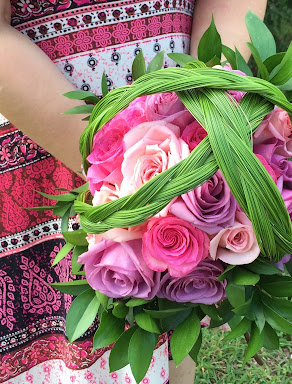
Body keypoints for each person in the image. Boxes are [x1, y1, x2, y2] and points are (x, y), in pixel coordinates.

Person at [0, 0, 267, 383]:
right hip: (47, 146)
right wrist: (125, 177)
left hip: (184, 128)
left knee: (169, 343)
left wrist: (207, 127)